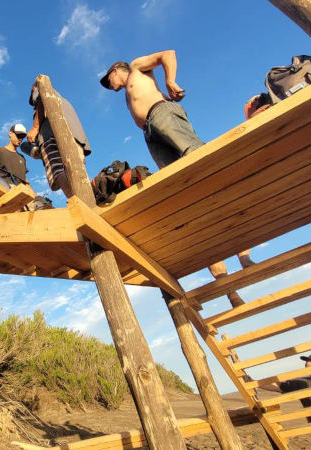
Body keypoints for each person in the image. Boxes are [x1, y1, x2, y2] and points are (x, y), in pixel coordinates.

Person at [100, 51, 253, 306]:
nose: (110, 87)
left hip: (162, 113)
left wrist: (170, 81)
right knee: (186, 196)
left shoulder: (137, 68)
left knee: (202, 167)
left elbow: (167, 54)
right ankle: (230, 290)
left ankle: (244, 257)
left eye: (109, 81)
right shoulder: (128, 94)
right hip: (150, 131)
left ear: (116, 70)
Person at [24, 82, 91, 198]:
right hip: (75, 137)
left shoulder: (39, 89)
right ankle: (87, 202)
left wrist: (35, 128)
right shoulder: (63, 101)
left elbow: (41, 99)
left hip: (52, 136)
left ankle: (77, 204)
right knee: (78, 174)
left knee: (58, 170)